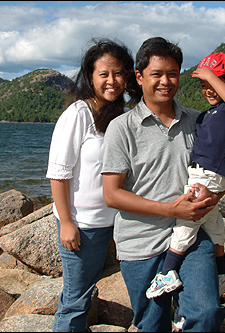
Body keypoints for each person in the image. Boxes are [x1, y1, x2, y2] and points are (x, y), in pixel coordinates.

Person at [102, 37, 225, 331]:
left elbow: (218, 171)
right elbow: (112, 194)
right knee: (152, 324)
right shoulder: (122, 128)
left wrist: (215, 196)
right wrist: (171, 209)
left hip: (192, 237)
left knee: (206, 313)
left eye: (172, 74)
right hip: (140, 243)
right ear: (139, 76)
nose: (165, 81)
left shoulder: (200, 122)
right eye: (157, 74)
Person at [46, 38, 140, 332]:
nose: (112, 81)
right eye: (104, 74)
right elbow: (58, 173)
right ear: (90, 77)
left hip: (119, 223)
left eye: (119, 73)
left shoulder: (121, 117)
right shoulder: (78, 114)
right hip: (85, 226)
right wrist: (66, 223)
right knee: (76, 301)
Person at [146, 52, 225, 299]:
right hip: (203, 174)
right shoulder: (211, 113)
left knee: (186, 221)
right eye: (204, 85)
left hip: (208, 176)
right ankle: (222, 272)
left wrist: (209, 75)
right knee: (212, 221)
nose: (209, 89)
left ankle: (168, 272)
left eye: (216, 83)